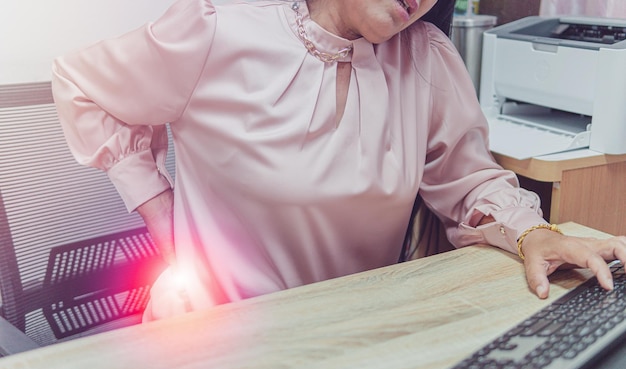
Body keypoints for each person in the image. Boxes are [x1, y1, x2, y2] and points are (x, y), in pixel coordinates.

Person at [51, 0, 626, 321]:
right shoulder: (216, 30)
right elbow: (81, 83)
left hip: (352, 333)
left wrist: (533, 233)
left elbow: (469, 181)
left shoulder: (426, 58)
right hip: (208, 331)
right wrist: (162, 213)